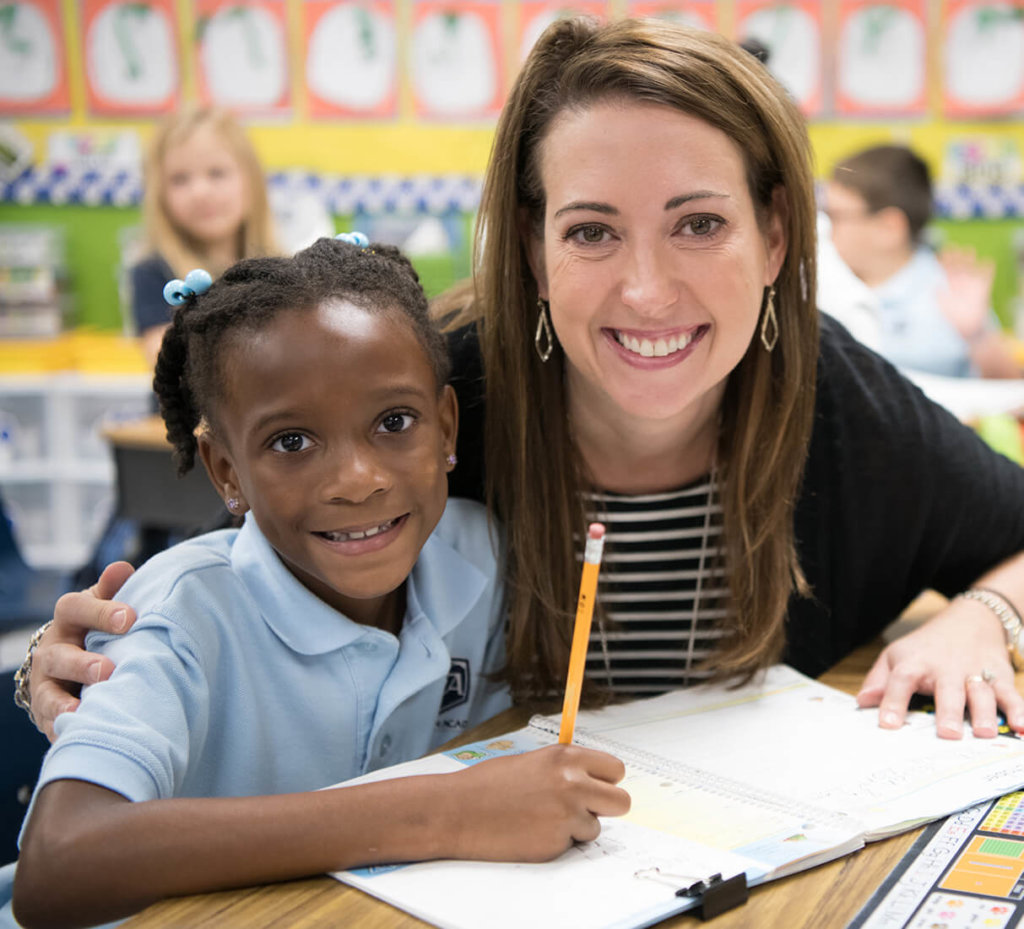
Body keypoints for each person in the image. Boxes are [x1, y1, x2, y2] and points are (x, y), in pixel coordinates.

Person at [19, 18, 1024, 757]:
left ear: (772, 234)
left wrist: (986, 613)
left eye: (699, 223)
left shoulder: (823, 384)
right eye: (591, 229)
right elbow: (220, 602)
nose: (645, 287)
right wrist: (74, 664)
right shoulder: (418, 388)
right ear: (534, 252)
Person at [6, 237, 628, 929]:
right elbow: (57, 865)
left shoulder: (484, 556)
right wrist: (440, 810)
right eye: (292, 442)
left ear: (446, 427)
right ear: (226, 472)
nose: (359, 479)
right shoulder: (182, 617)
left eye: (395, 422)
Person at [825, 144, 1020, 379]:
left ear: (889, 227)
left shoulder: (951, 292)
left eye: (836, 216)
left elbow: (1010, 388)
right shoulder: (827, 285)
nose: (825, 227)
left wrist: (977, 336)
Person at [131, 106, 278, 369]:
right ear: (159, 196)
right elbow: (166, 358)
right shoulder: (153, 273)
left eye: (217, 173)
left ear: (251, 183)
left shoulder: (278, 268)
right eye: (179, 179)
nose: (200, 192)